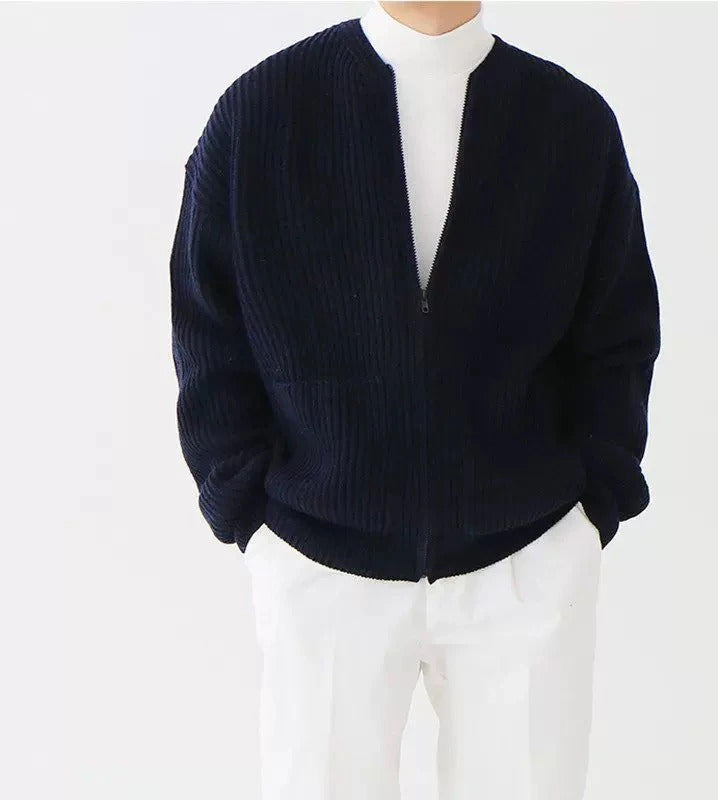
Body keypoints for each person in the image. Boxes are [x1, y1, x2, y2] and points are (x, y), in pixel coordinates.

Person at [169, 1, 661, 797]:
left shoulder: (570, 123)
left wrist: (589, 512)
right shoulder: (260, 114)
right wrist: (249, 515)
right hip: (317, 560)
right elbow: (207, 329)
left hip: (527, 561)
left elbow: (619, 333)